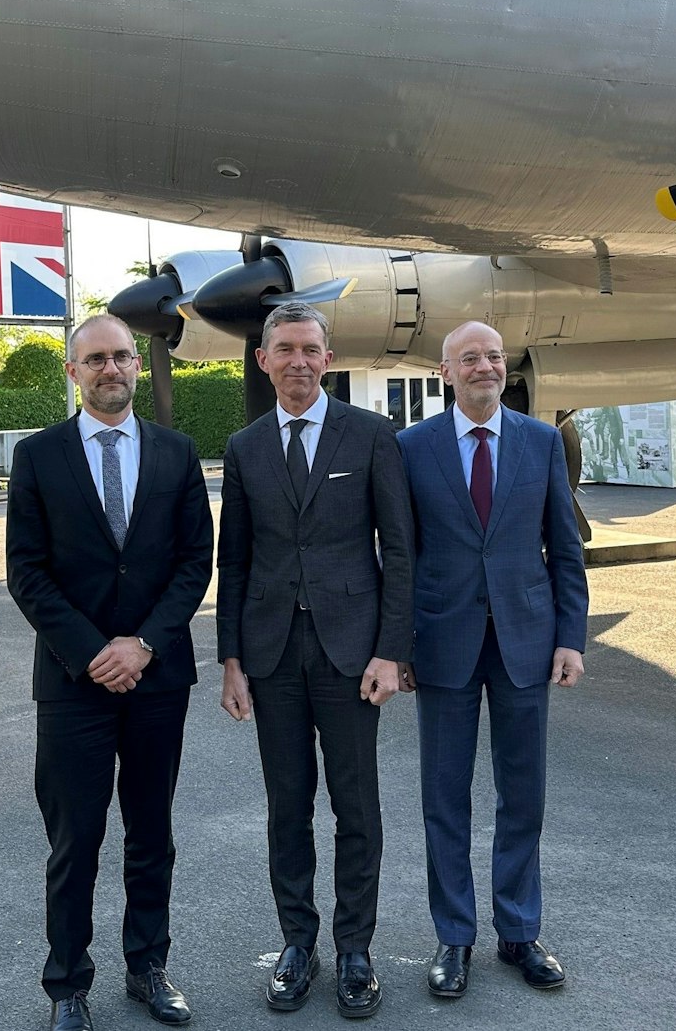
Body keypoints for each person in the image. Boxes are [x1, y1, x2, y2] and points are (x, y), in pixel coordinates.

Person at [5, 314, 214, 1031]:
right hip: (74, 681)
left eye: (122, 355)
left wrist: (144, 644)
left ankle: (148, 966)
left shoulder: (177, 453)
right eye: (95, 358)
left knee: (151, 833)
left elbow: (194, 561)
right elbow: (26, 572)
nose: (111, 368)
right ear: (74, 371)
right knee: (75, 841)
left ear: (137, 365)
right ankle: (67, 984)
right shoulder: (38, 456)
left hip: (158, 678)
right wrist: (95, 651)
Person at [215, 301, 413, 1020]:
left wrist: (391, 650)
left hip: (351, 652)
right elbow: (234, 559)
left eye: (310, 348)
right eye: (285, 348)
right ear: (263, 360)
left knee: (356, 806)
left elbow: (400, 550)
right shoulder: (244, 447)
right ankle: (298, 943)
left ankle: (355, 947)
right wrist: (230, 659)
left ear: (328, 359)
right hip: (270, 653)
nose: (298, 360)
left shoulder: (372, 435)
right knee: (287, 807)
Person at [394, 321, 588, 999]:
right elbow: (400, 554)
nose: (486, 366)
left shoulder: (541, 441)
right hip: (441, 644)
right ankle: (454, 936)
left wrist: (571, 637)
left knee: (523, 794)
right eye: (470, 357)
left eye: (495, 356)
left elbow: (565, 547)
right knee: (444, 799)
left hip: (525, 642)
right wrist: (398, 646)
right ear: (445, 372)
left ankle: (519, 930)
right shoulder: (412, 447)